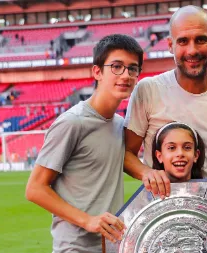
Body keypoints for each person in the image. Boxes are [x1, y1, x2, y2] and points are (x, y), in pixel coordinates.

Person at [25, 34, 144, 253]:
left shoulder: (120, 125)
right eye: (116, 66)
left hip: (111, 246)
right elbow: (34, 189)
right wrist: (87, 220)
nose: (125, 75)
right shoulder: (72, 122)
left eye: (132, 68)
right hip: (75, 248)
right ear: (97, 71)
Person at [124, 5, 207, 199]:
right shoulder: (149, 90)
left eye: (200, 40)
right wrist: (147, 173)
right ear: (170, 45)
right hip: (164, 216)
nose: (192, 50)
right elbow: (125, 153)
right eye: (183, 41)